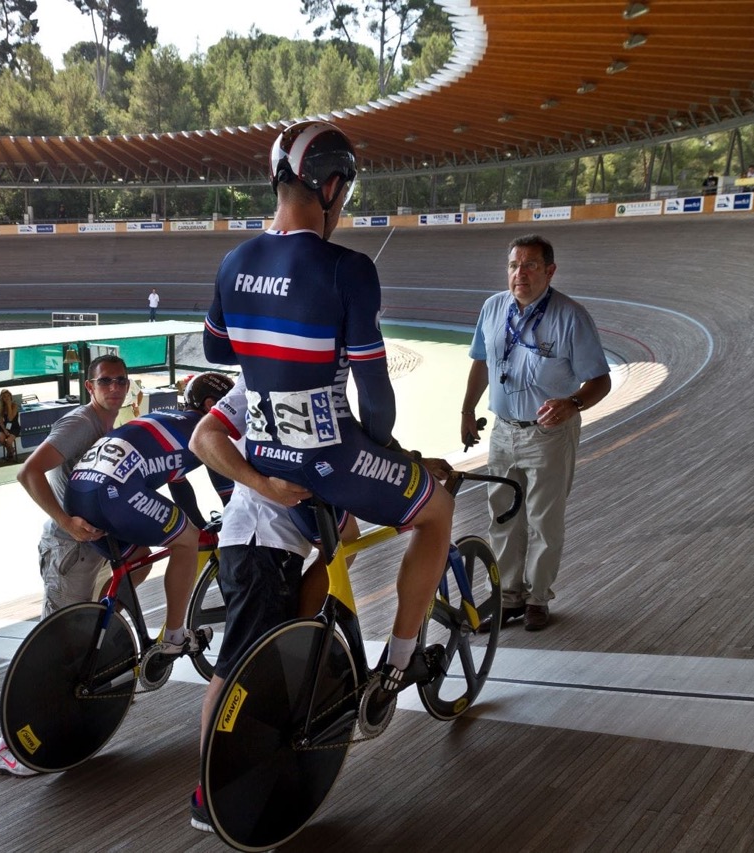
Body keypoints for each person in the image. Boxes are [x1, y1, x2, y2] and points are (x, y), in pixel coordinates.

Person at [203, 119, 454, 725]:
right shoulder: (349, 268)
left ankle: (302, 643)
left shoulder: (234, 262)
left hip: (266, 458)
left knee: (340, 538)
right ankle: (397, 663)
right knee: (437, 509)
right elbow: (376, 396)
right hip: (330, 458)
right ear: (333, 186)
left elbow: (216, 350)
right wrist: (391, 454)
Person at [186, 375, 359, 831]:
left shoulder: (320, 379)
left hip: (272, 546)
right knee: (237, 668)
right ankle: (210, 794)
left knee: (348, 541)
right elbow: (203, 438)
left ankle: (241, 777)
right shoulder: (256, 376)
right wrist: (265, 485)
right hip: (259, 542)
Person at [460, 234, 611, 632]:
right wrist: (467, 409)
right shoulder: (493, 308)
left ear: (550, 271)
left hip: (548, 435)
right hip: (502, 432)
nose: (520, 274)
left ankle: (537, 598)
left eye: (530, 266)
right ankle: (508, 597)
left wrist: (573, 403)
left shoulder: (571, 316)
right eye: (514, 266)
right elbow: (481, 362)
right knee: (503, 517)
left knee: (544, 520)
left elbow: (601, 381)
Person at [0, 354, 131, 777]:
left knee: (77, 646)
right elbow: (29, 473)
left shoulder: (108, 424)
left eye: (121, 380)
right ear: (90, 386)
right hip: (69, 550)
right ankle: (9, 747)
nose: (114, 388)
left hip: (95, 549)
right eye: (105, 381)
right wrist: (66, 521)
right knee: (51, 649)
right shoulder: (80, 424)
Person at [64, 371, 235, 658]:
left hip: (78, 496)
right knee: (187, 540)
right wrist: (211, 527)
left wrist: (198, 522)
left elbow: (178, 483)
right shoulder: (208, 430)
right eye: (231, 407)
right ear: (210, 405)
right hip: (115, 493)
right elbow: (228, 493)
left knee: (138, 562)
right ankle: (174, 638)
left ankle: (93, 639)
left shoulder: (171, 421)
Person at [0, 389, 21, 459]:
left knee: (9, 442)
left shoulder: (14, 405)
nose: (6, 398)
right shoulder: (1, 407)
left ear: (10, 396)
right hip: (5, 427)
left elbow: (10, 418)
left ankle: (10, 453)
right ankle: (11, 450)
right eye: (4, 396)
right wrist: (5, 430)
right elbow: (1, 422)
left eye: (8, 396)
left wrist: (9, 405)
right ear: (2, 398)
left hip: (14, 427)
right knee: (1, 438)